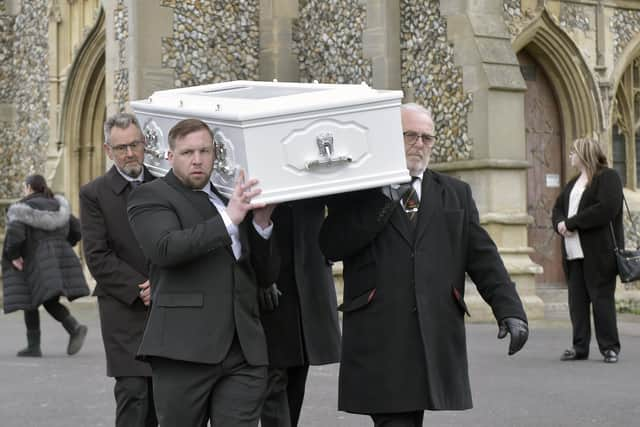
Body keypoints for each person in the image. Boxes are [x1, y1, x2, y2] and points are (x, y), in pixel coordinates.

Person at [318, 103, 529, 426]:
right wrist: (386, 198)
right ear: (390, 137)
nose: (420, 144)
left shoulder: (455, 193)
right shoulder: (359, 191)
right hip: (380, 338)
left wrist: (510, 310)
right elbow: (332, 245)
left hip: (434, 335)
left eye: (427, 138)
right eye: (411, 135)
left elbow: (482, 257)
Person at [127, 118, 280, 427]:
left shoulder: (230, 196)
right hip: (183, 350)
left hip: (244, 352)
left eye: (204, 151)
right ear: (170, 156)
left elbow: (264, 276)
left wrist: (262, 225)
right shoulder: (151, 195)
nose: (197, 160)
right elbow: (165, 248)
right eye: (187, 153)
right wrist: (230, 219)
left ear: (215, 154)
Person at [79, 113, 158, 426]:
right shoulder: (94, 194)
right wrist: (142, 287)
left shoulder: (165, 185)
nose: (130, 153)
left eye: (135, 145)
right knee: (134, 393)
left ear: (144, 144)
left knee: (163, 399)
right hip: (124, 310)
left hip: (167, 304)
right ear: (107, 150)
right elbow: (97, 256)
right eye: (121, 147)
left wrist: (162, 284)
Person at [258, 199, 341, 427]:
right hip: (270, 277)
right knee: (274, 376)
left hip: (308, 278)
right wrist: (261, 276)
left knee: (297, 370)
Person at [552, 137, 623, 364]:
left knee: (602, 300)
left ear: (583, 154)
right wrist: (560, 224)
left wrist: (572, 223)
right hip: (574, 254)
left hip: (599, 253)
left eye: (573, 152)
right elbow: (558, 208)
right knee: (578, 303)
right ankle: (579, 346)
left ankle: (610, 348)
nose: (570, 156)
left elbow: (606, 209)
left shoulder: (608, 177)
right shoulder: (573, 183)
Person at [2, 174, 89, 357]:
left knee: (31, 299)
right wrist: (63, 246)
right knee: (47, 300)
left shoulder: (22, 208)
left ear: (28, 187)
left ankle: (48, 340)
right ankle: (66, 331)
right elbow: (77, 230)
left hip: (34, 261)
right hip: (58, 260)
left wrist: (14, 256)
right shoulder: (59, 206)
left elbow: (15, 236)